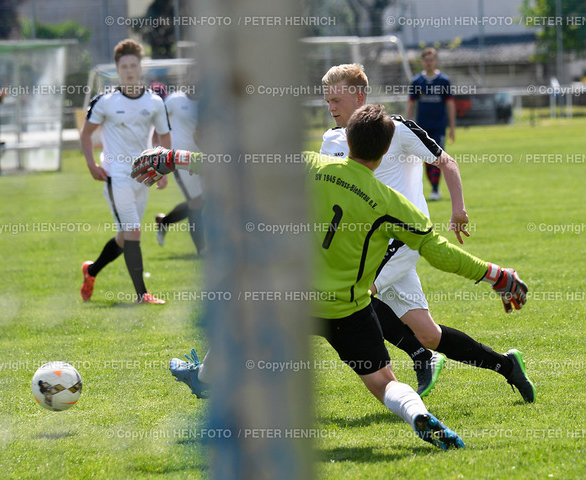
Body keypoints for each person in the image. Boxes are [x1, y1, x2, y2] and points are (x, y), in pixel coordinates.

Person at [128, 105, 529, 450]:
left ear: (347, 139)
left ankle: (206, 379)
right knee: (384, 382)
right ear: (385, 150)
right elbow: (441, 254)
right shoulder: (394, 205)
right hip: (347, 309)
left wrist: (171, 156)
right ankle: (418, 415)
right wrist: (496, 275)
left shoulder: (309, 164)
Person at [320, 64, 535, 403]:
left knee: (354, 294)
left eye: (335, 99)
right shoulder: (330, 139)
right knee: (428, 333)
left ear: (359, 96)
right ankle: (506, 365)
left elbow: (445, 162)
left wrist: (458, 208)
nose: (330, 107)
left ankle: (421, 357)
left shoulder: (396, 129)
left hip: (403, 239)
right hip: (369, 245)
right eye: (326, 100)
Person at [79, 39, 171, 304]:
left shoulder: (154, 102)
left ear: (140, 68)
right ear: (117, 70)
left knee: (125, 236)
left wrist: (163, 170)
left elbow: (165, 137)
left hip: (143, 176)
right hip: (116, 174)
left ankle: (91, 270)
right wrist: (91, 164)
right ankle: (142, 295)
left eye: (133, 65)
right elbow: (86, 135)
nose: (129, 70)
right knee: (134, 232)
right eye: (124, 66)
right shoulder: (105, 102)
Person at [155, 71, 206, 254]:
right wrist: (157, 149)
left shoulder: (207, 103)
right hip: (180, 160)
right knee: (196, 202)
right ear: (186, 79)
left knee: (204, 200)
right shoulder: (175, 100)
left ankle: (164, 221)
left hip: (204, 159)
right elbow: (158, 122)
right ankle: (202, 249)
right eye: (193, 76)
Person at [406, 48, 456, 201]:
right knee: (426, 157)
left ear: (436, 61)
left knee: (438, 156)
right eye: (426, 60)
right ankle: (433, 187)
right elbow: (411, 104)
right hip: (422, 126)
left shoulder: (443, 81)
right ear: (422, 62)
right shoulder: (417, 82)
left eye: (431, 60)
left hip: (439, 126)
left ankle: (435, 189)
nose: (429, 63)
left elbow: (450, 104)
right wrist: (407, 124)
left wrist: (452, 127)